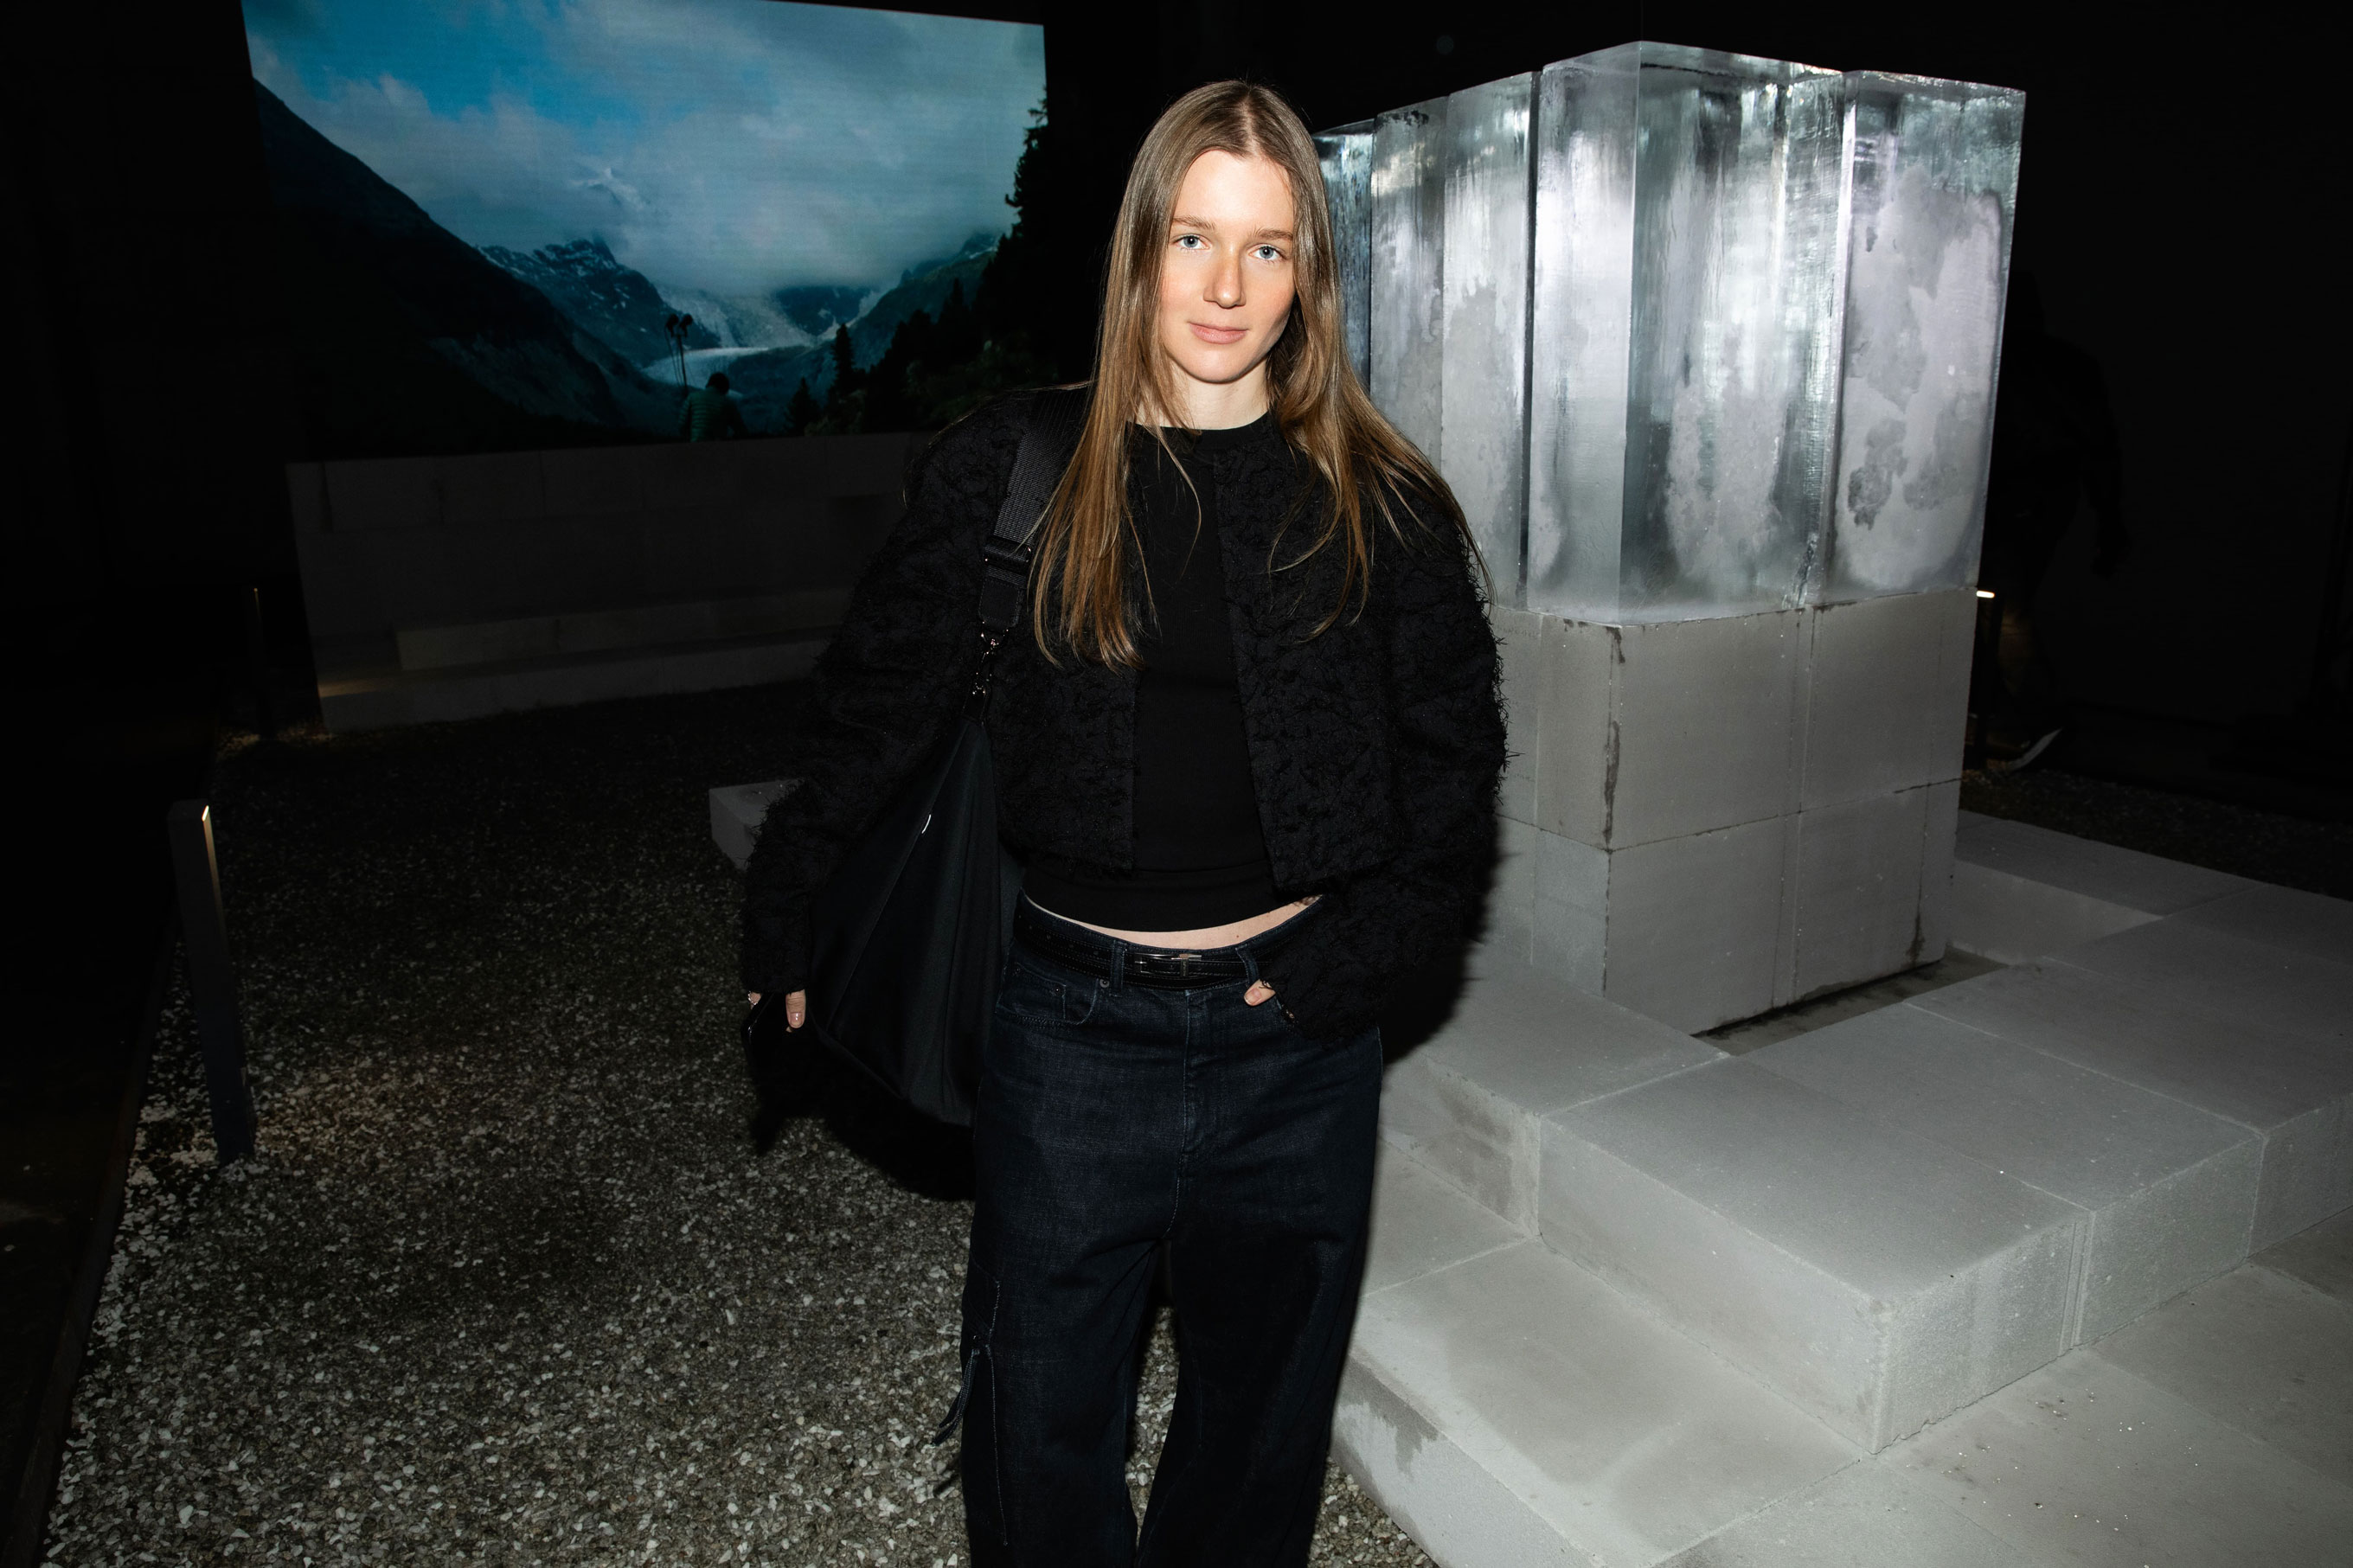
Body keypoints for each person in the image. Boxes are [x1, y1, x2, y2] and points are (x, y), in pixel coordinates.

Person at [741, 80, 1503, 1565]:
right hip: (1070, 1031)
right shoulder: (1013, 469)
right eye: (1193, 238)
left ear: (1310, 274)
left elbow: (1452, 764)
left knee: (1261, 1434)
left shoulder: (1383, 503)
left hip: (1296, 1043)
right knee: (1036, 1426)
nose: (1226, 286)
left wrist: (1358, 962)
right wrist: (787, 916)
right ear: (1139, 248)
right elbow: (871, 713)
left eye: (1268, 248)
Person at [1973, 272, 2128, 766]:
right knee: (1998, 604)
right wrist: (2109, 518)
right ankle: (2008, 716)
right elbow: (2101, 447)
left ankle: (2042, 721)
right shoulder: (2068, 364)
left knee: (2001, 607)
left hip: (2013, 497)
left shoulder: (2001, 361)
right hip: (2045, 500)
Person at [679, 369, 747, 441]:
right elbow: (741, 430)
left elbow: (682, 425)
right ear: (724, 388)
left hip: (696, 443)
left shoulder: (692, 397)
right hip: (718, 445)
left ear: (709, 384)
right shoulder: (728, 403)